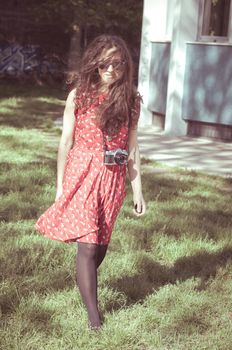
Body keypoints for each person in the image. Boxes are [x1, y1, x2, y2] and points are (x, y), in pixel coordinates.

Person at [35, 34, 146, 331]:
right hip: (82, 172)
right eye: (105, 63)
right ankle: (95, 320)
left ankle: (84, 281)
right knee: (87, 246)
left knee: (99, 249)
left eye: (118, 63)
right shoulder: (79, 96)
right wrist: (60, 186)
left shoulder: (131, 101)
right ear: (95, 64)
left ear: (126, 66)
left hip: (112, 179)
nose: (111, 69)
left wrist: (137, 190)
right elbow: (65, 142)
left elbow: (133, 148)